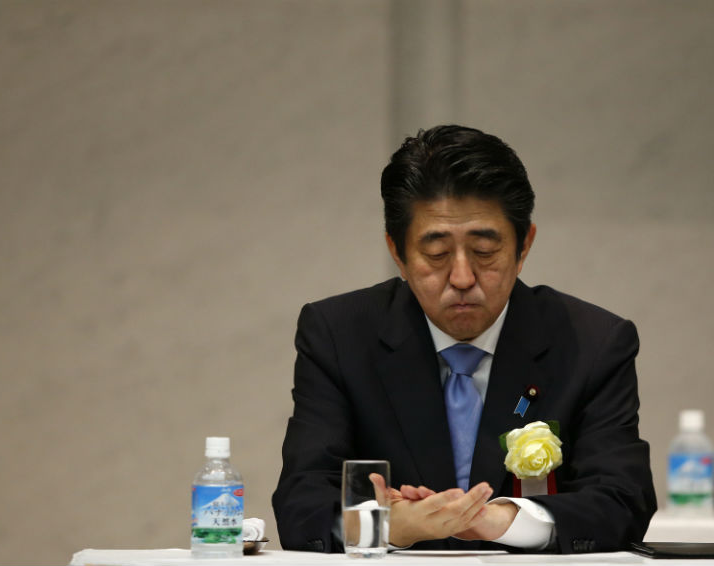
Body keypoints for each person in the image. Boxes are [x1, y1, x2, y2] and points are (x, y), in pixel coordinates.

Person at [272, 125, 656, 553]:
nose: (461, 278)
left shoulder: (593, 342)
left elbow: (623, 500)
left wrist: (504, 521)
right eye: (436, 254)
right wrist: (389, 525)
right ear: (397, 253)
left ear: (524, 245)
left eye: (485, 252)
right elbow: (301, 502)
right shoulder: (339, 335)